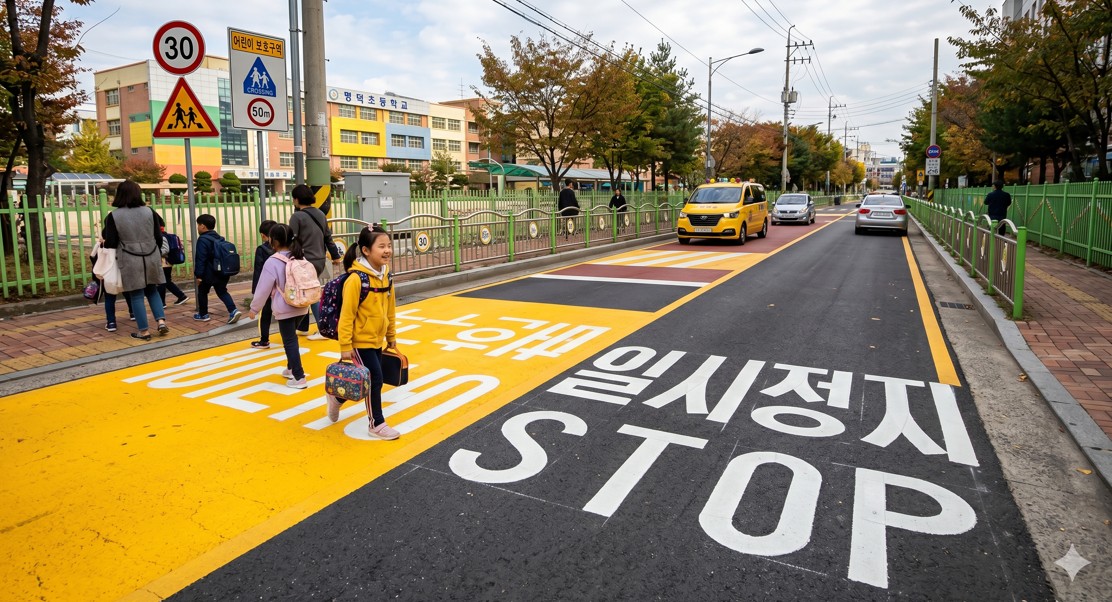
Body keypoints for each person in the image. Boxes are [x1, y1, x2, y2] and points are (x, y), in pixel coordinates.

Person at [333, 225, 400, 440]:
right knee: (375, 380)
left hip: (377, 339)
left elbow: (390, 309)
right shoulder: (356, 279)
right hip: (359, 341)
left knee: (361, 380)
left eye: (389, 245)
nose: (387, 250)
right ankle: (376, 424)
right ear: (365, 250)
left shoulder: (386, 276)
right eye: (381, 246)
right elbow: (347, 316)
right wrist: (345, 346)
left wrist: (391, 337)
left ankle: (337, 397)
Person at [102, 180, 167, 341]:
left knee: (136, 295)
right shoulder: (149, 211)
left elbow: (110, 241)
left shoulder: (114, 216)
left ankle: (144, 331)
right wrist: (154, 250)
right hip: (151, 254)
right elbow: (159, 236)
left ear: (120, 194)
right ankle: (160, 321)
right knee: (152, 290)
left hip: (129, 258)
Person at [247, 224, 310, 389]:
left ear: (273, 241)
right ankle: (290, 369)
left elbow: (262, 289)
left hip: (285, 307)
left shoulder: (272, 261)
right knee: (292, 339)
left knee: (289, 341)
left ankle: (299, 376)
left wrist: (254, 309)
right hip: (302, 304)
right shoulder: (299, 256)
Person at [288, 184, 343, 339]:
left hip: (304, 260)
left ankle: (323, 329)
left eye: (293, 198)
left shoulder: (297, 216)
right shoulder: (320, 213)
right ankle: (303, 327)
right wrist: (336, 256)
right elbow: (328, 238)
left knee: (310, 293)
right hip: (319, 260)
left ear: (297, 199)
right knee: (307, 291)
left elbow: (292, 240)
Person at [193, 214, 242, 324]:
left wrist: (199, 275)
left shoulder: (202, 240)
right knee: (222, 291)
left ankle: (203, 314)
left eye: (198, 225)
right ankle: (233, 310)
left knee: (202, 292)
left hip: (208, 273)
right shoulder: (218, 237)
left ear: (203, 226)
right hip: (222, 271)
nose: (197, 227)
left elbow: (201, 259)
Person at [249, 220, 277, 349]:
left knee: (266, 313)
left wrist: (256, 291)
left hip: (268, 287)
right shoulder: (286, 248)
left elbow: (258, 271)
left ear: (263, 235)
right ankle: (290, 335)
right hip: (283, 287)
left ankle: (264, 340)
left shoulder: (262, 249)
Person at [156, 218, 188, 308]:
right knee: (166, 282)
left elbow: (165, 250)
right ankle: (181, 296)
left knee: (162, 282)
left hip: (164, 263)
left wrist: (155, 254)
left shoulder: (162, 236)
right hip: (165, 263)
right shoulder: (161, 235)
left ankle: (162, 303)